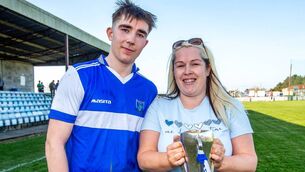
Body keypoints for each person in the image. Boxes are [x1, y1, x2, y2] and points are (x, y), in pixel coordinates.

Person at [45, 0, 157, 171]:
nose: (131, 39)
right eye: (125, 29)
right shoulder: (78, 76)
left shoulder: (149, 90)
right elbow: (54, 142)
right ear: (110, 33)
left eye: (140, 34)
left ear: (145, 43)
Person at [138, 38, 257, 171]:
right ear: (174, 71)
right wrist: (168, 159)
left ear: (207, 69)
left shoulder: (230, 106)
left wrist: (220, 162)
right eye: (180, 65)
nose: (187, 71)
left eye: (195, 64)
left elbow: (250, 162)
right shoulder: (159, 106)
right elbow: (144, 159)